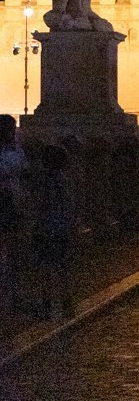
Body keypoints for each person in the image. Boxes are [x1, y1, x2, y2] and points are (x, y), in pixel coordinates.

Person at [33, 144, 77, 319]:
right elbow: (71, 204)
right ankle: (66, 300)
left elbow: (38, 204)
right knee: (63, 266)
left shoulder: (44, 181)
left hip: (46, 227)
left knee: (46, 266)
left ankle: (47, 302)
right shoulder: (66, 180)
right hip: (62, 227)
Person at [0, 114, 32, 313]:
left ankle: (14, 296)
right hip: (6, 202)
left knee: (14, 252)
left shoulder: (16, 150)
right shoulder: (13, 152)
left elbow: (24, 170)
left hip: (13, 203)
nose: (13, 133)